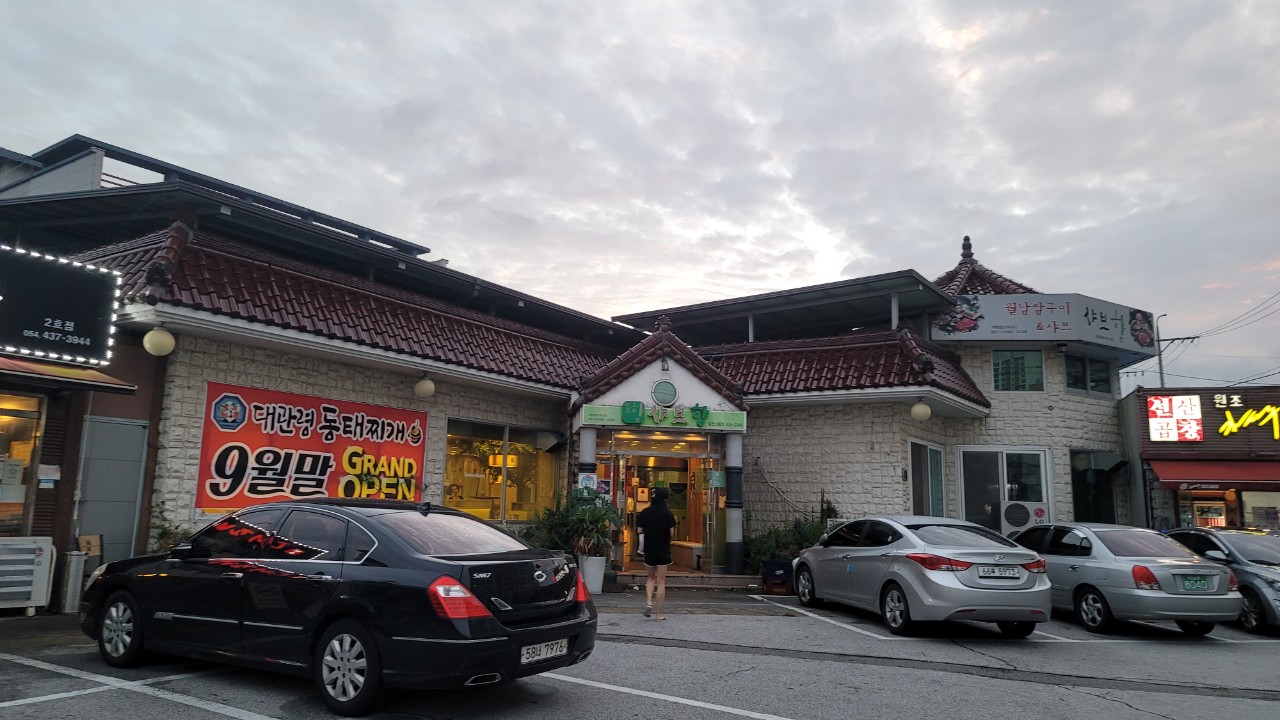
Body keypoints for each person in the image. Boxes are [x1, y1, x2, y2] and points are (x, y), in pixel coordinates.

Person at [635, 487, 677, 620]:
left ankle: (649, 603)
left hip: (649, 548)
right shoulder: (668, 514)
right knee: (661, 581)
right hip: (663, 549)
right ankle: (659, 614)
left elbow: (639, 530)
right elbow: (672, 533)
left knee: (650, 578)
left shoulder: (645, 512)